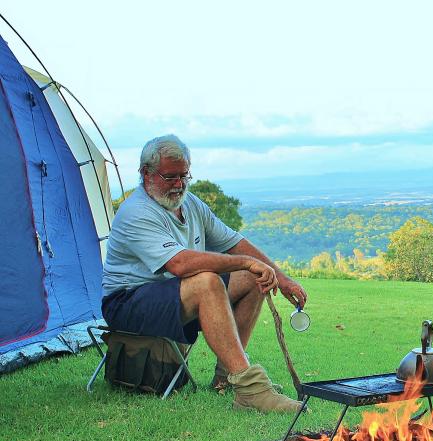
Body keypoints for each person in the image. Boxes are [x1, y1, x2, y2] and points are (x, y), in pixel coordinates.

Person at [102, 134, 306, 413]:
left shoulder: (191, 204)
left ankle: (227, 379)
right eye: (170, 177)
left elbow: (234, 242)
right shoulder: (136, 212)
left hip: (171, 294)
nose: (178, 185)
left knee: (249, 278)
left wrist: (281, 279)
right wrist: (244, 261)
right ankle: (251, 389)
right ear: (145, 174)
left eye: (184, 176)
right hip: (126, 302)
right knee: (206, 282)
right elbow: (180, 265)